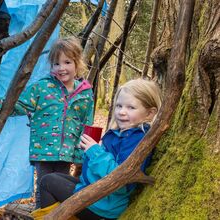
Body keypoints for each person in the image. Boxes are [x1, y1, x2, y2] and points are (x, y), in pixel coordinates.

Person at [32, 79, 162, 220]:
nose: (122, 112)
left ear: (150, 113)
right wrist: (86, 151)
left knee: (49, 182)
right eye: (119, 106)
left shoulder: (137, 139)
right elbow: (97, 167)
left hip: (104, 205)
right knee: (51, 179)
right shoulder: (119, 134)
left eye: (131, 107)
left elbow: (120, 179)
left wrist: (94, 151)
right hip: (95, 192)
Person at [0, 37, 94, 208]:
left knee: (60, 186)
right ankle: (41, 214)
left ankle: (57, 215)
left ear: (77, 63)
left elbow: (86, 124)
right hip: (43, 149)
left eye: (67, 62)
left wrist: (83, 153)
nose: (61, 68)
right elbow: (20, 103)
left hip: (67, 151)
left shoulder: (85, 94)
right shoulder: (42, 88)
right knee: (44, 184)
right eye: (56, 64)